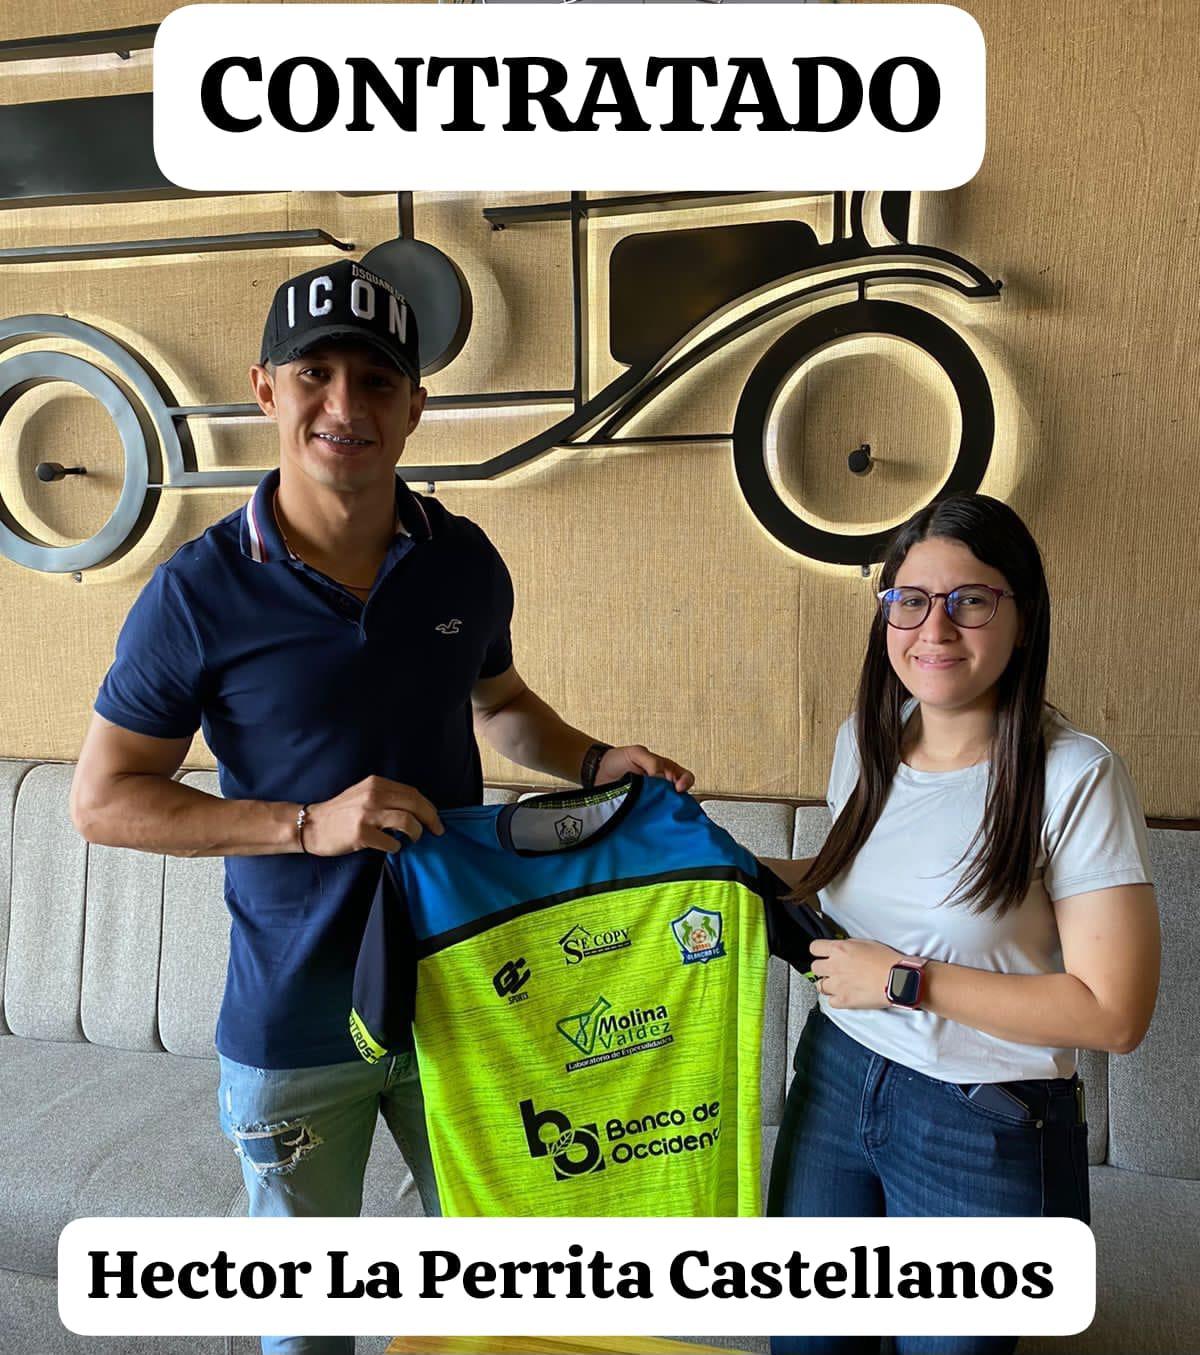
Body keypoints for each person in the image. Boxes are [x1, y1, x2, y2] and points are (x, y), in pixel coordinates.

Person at [69, 259, 693, 1355]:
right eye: (316, 373)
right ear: (266, 389)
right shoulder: (199, 591)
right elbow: (104, 800)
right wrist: (302, 823)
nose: (345, 406)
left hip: (465, 989)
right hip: (293, 1015)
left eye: (376, 378)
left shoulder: (463, 563)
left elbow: (500, 707)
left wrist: (595, 757)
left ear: (417, 404)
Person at [765, 493, 1160, 1355]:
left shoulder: (1075, 775)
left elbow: (1113, 1012)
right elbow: (841, 878)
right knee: (806, 1344)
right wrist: (712, 863)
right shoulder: (866, 742)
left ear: (1021, 616)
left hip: (977, 1117)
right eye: (910, 599)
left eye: (970, 599)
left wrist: (906, 981)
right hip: (835, 1074)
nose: (934, 628)